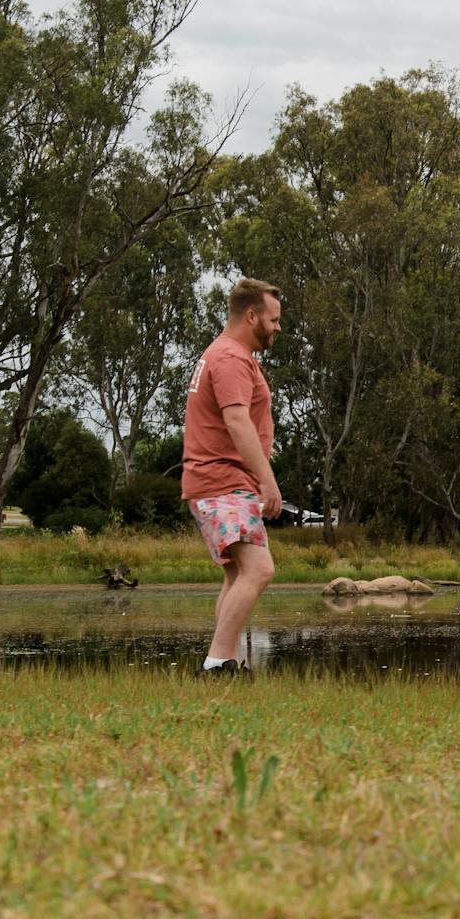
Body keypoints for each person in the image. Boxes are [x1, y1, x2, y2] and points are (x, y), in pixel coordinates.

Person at [182, 278, 284, 676]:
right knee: (259, 569)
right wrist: (267, 480)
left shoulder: (229, 355)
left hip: (216, 481)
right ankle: (216, 663)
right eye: (273, 319)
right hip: (223, 481)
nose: (277, 327)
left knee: (237, 574)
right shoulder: (230, 359)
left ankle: (225, 661)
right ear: (252, 315)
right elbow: (237, 421)